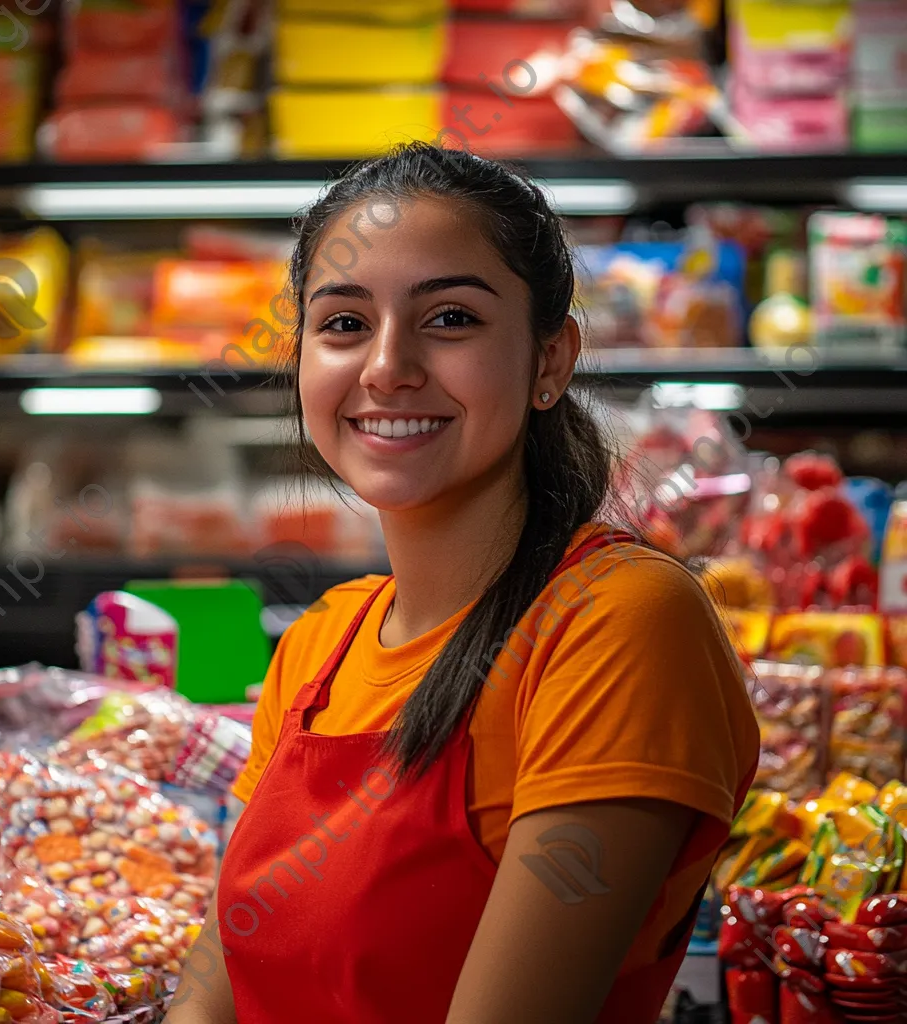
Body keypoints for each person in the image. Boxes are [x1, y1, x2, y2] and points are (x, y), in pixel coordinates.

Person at [165, 143, 759, 1024]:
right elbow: (215, 987)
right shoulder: (318, 645)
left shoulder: (620, 621)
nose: (386, 366)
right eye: (343, 324)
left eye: (449, 319)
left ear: (551, 361)